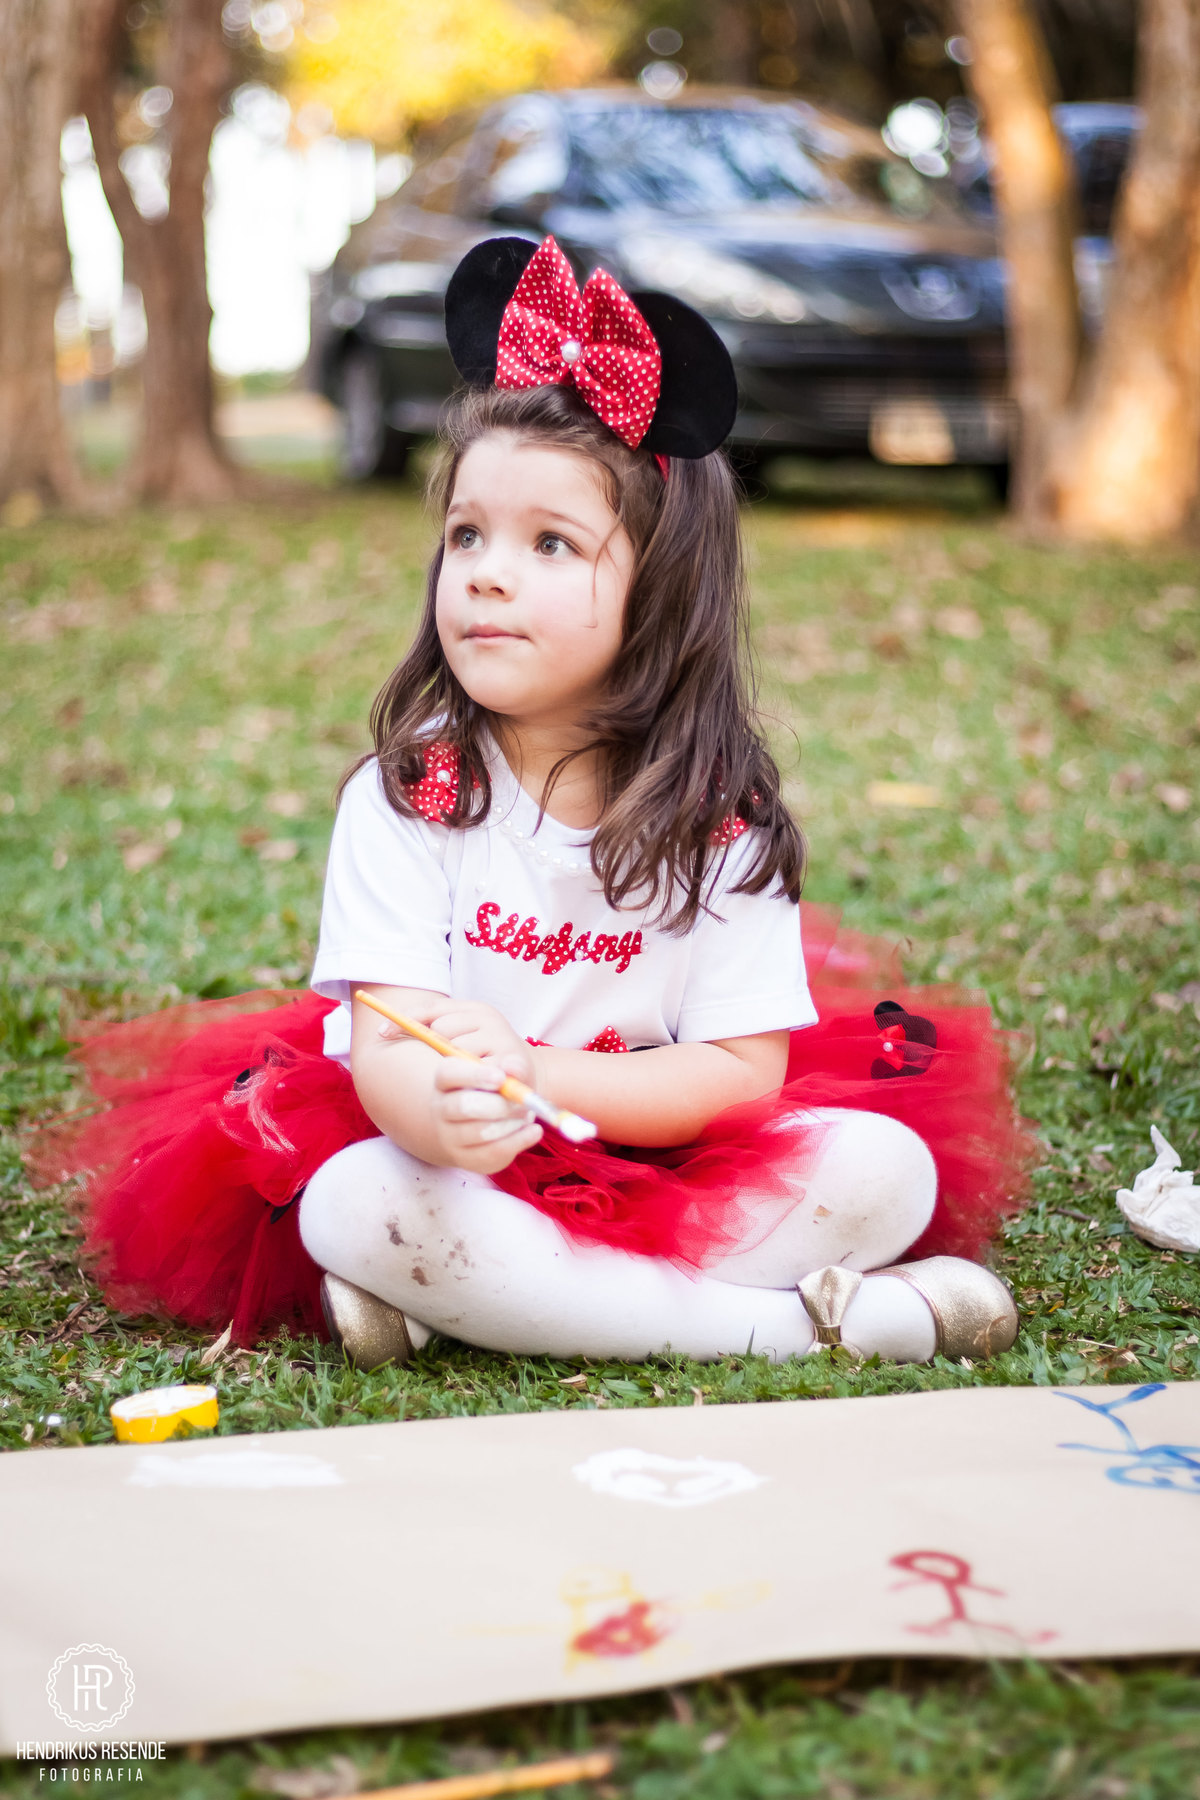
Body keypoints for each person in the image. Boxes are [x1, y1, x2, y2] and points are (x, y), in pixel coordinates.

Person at [37, 237, 1033, 1369]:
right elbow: (389, 1045)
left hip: (662, 1148)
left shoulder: (720, 822)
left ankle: (479, 1305)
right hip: (450, 1162)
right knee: (351, 1205)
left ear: (658, 590)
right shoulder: (411, 800)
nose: (486, 573)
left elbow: (739, 1073)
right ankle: (801, 1328)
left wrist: (540, 1072)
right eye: (467, 534)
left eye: (550, 542)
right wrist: (440, 1111)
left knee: (885, 1170)